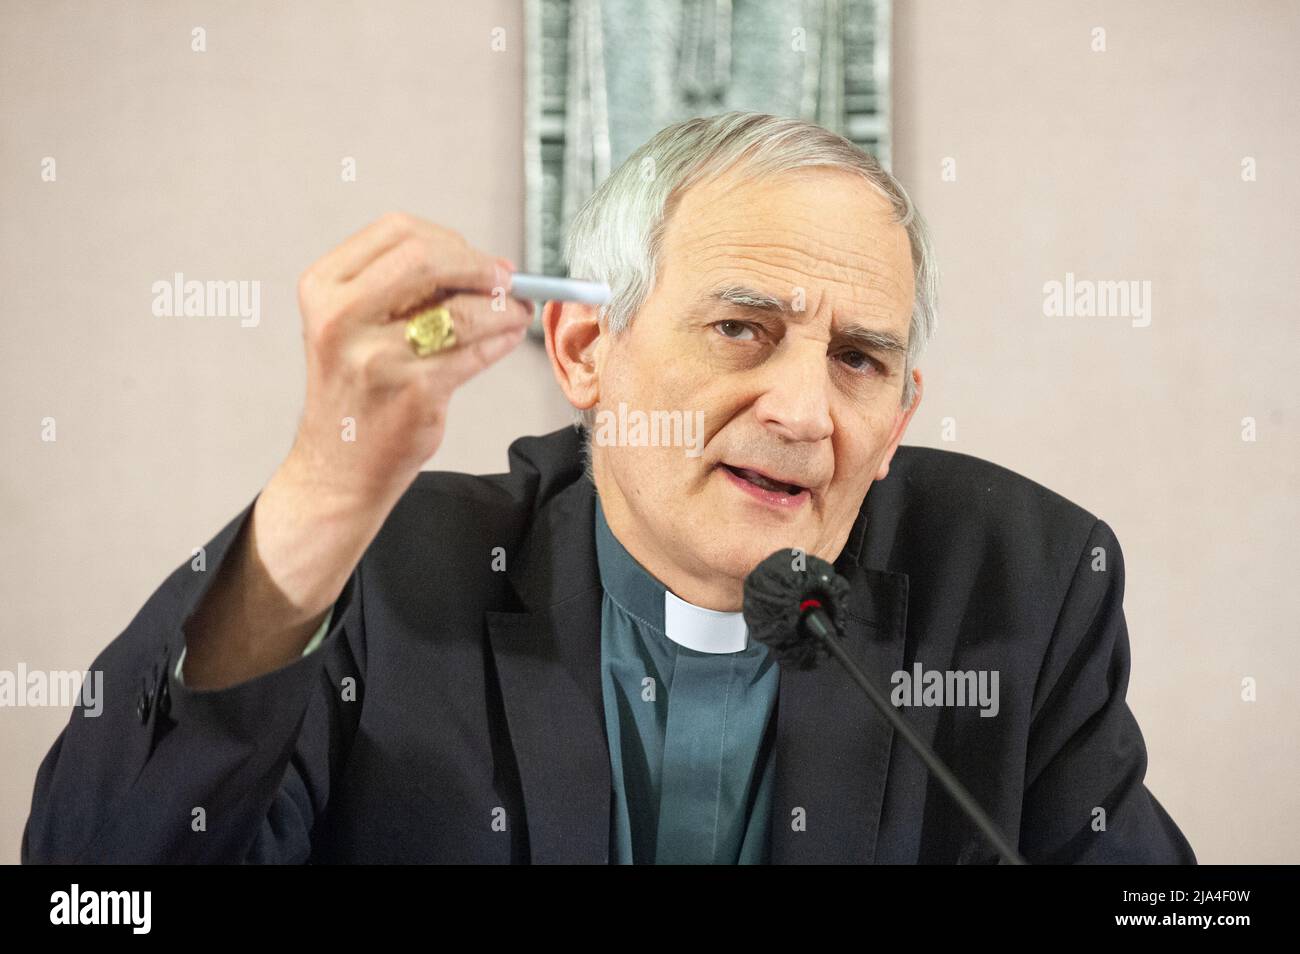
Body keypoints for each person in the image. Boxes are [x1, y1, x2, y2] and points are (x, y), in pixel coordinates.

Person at [23, 111, 1195, 864]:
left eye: (857, 360)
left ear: (898, 419)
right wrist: (328, 493)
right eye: (741, 328)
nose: (802, 412)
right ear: (586, 352)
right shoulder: (383, 569)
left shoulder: (1020, 582)